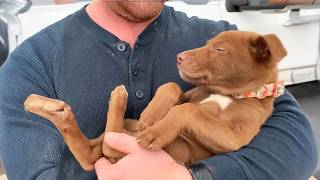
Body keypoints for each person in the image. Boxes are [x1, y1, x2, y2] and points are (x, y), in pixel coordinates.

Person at [0, 0, 317, 179]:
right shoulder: (30, 64)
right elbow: (36, 175)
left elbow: (297, 146)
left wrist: (191, 177)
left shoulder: (220, 36)